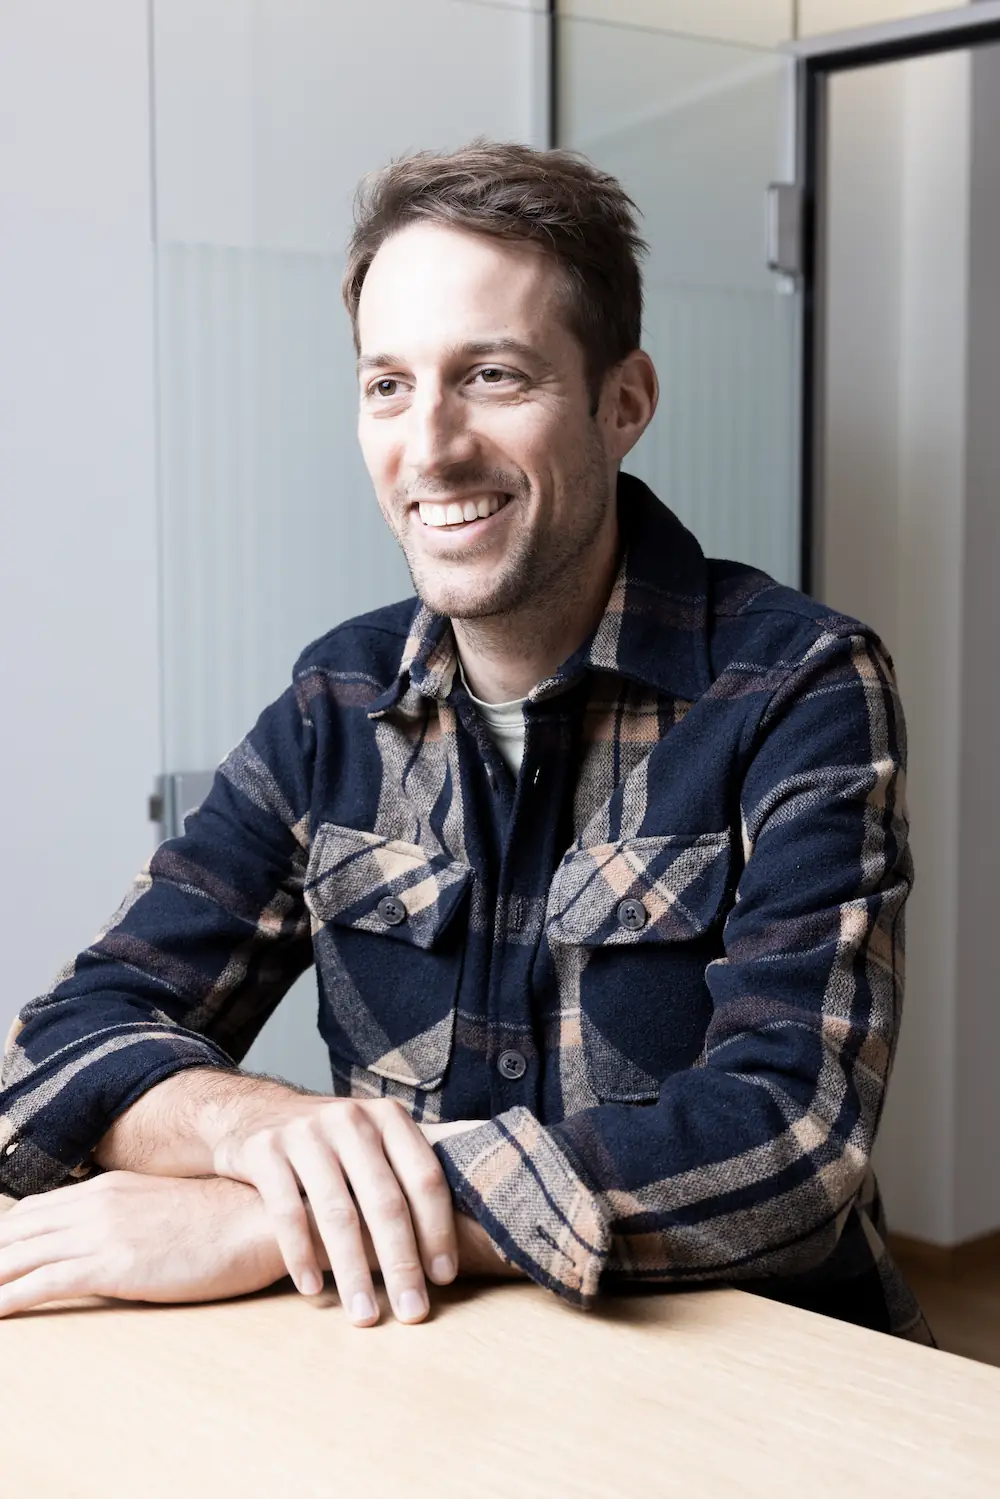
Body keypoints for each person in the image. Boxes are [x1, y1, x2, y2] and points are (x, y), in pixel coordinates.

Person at [0, 142, 929, 1342]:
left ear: (623, 402)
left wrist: (286, 1218)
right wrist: (260, 1133)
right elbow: (64, 1047)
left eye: (491, 375)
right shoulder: (333, 702)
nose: (430, 445)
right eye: (389, 384)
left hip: (756, 1377)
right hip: (431, 1361)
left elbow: (791, 1139)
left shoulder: (799, 685)